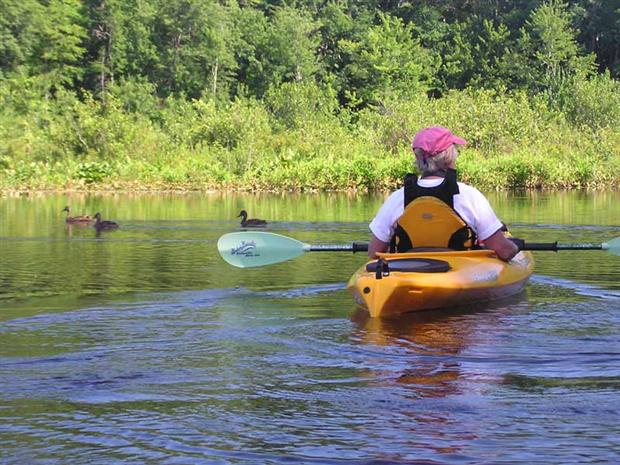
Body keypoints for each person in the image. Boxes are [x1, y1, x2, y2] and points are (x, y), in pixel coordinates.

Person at [367, 126, 519, 261]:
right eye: (455, 149)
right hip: (461, 273)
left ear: (417, 158)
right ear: (447, 155)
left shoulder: (397, 198)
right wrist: (515, 248)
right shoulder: (468, 195)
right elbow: (504, 251)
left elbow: (374, 252)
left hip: (408, 273)